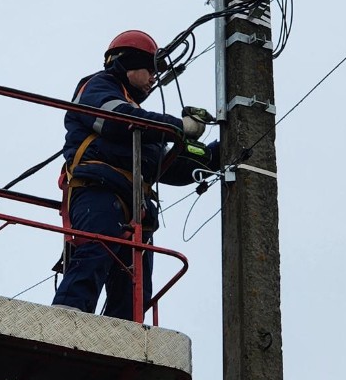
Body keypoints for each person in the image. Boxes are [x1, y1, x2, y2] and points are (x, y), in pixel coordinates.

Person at [51, 29, 220, 322]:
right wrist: (178, 126)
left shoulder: (141, 121)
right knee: (96, 252)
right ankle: (66, 317)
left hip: (134, 207)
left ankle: (123, 332)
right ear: (128, 63)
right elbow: (116, 119)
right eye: (150, 70)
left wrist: (216, 154)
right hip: (98, 189)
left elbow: (166, 166)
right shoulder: (98, 86)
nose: (154, 78)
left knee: (134, 285)